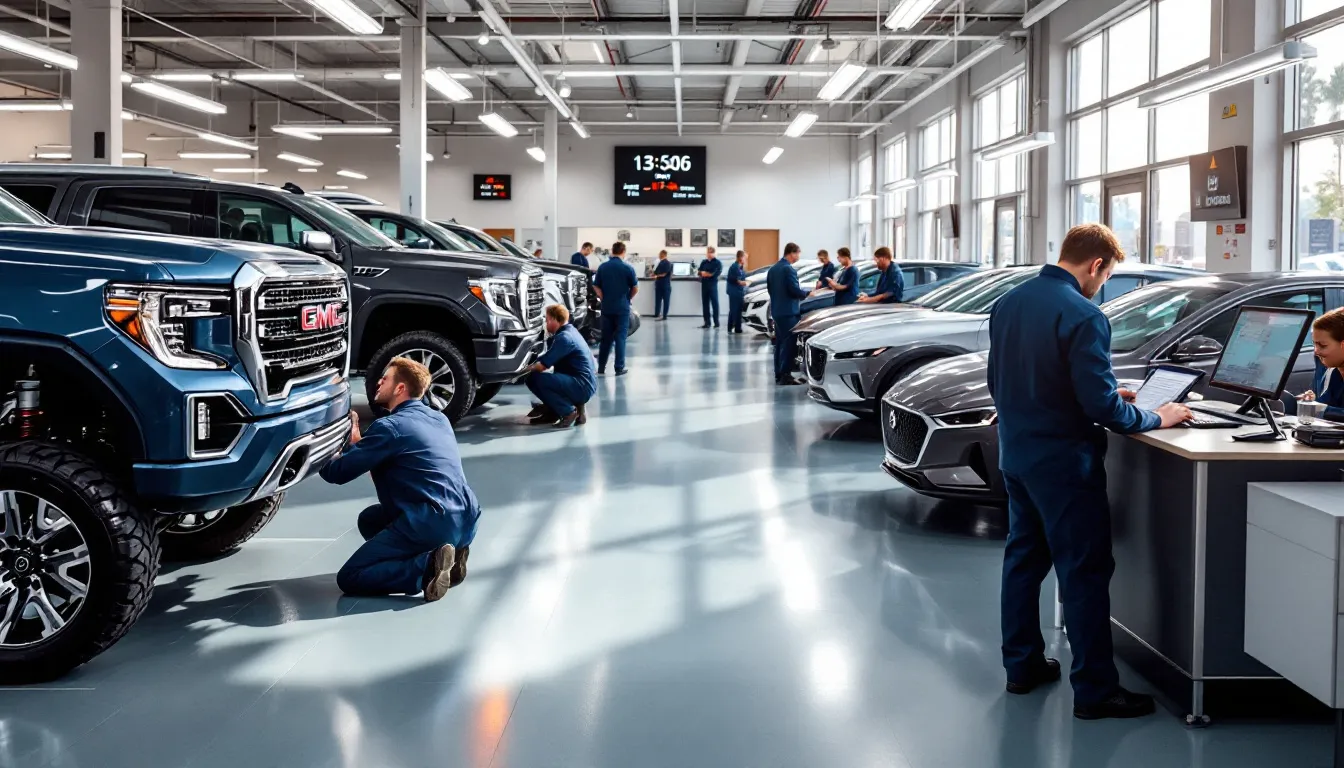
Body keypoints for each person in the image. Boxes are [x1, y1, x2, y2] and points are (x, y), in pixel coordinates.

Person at [988, 223, 1191, 720]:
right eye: (1106, 275)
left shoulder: (1009, 302)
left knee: (1022, 562)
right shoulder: (1084, 314)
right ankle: (1096, 691)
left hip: (1017, 455)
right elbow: (1107, 410)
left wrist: (1096, 394)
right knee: (1083, 573)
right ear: (1097, 264)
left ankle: (1023, 667)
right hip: (1064, 466)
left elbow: (1003, 380)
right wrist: (1156, 416)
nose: (1102, 284)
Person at [319, 357, 480, 602]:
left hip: (434, 522)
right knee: (370, 520)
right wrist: (360, 446)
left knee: (351, 576)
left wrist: (321, 437)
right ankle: (452, 554)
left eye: (385, 378)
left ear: (400, 388)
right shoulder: (439, 419)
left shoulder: (390, 427)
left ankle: (425, 567)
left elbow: (336, 473)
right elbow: (395, 464)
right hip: (467, 518)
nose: (378, 382)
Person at [525, 304, 598, 428]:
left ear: (554, 319)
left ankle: (568, 412)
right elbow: (548, 357)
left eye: (547, 320)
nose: (546, 323)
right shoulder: (571, 331)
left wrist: (521, 370)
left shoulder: (564, 338)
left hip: (581, 386)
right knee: (549, 378)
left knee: (534, 379)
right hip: (585, 383)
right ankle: (554, 412)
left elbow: (542, 366)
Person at [1286, 307, 1344, 421]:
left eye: (1322, 345)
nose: (1316, 351)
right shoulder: (1332, 373)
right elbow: (1326, 403)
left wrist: (1321, 409)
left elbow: (1325, 409)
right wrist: (1310, 402)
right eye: (1314, 344)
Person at [767, 242, 811, 385]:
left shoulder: (773, 269)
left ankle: (779, 373)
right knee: (789, 343)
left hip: (777, 311)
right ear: (792, 253)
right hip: (788, 312)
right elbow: (793, 290)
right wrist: (807, 294)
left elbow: (770, 290)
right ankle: (785, 374)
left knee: (779, 343)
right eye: (798, 253)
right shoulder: (788, 269)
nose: (798, 256)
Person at [592, 240, 638, 375]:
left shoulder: (603, 267)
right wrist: (628, 297)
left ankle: (601, 368)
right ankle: (619, 367)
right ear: (623, 252)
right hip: (622, 307)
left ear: (612, 251)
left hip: (607, 307)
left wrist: (602, 297)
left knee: (606, 338)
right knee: (620, 338)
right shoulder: (627, 268)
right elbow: (635, 287)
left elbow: (596, 285)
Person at [697, 246, 722, 329]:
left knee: (715, 304)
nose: (709, 254)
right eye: (708, 252)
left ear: (714, 253)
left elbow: (714, 274)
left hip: (712, 285)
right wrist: (702, 273)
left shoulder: (718, 263)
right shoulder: (704, 262)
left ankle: (716, 322)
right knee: (705, 304)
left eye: (711, 252)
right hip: (704, 285)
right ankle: (707, 323)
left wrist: (706, 274)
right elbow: (699, 272)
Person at [726, 250, 750, 334]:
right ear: (740, 258)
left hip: (738, 291)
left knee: (735, 309)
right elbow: (738, 281)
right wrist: (748, 283)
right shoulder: (735, 267)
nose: (746, 260)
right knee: (735, 310)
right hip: (734, 291)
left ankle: (733, 327)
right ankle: (736, 328)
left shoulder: (740, 267)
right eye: (745, 258)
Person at [652, 249, 674, 320]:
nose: (659, 255)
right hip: (661, 284)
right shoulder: (660, 263)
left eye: (660, 254)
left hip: (664, 285)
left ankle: (664, 316)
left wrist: (656, 275)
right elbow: (655, 272)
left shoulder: (667, 263)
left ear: (663, 255)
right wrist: (653, 273)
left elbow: (664, 274)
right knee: (661, 300)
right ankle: (658, 314)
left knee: (663, 300)